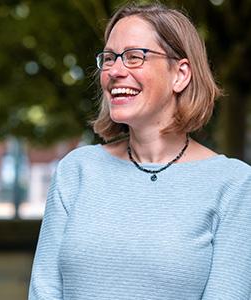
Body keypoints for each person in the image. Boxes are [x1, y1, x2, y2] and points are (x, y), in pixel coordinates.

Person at [28, 3, 251, 299]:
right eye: (109, 58)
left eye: (135, 57)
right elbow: (44, 290)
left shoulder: (234, 184)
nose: (115, 71)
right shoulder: (77, 170)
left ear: (180, 74)